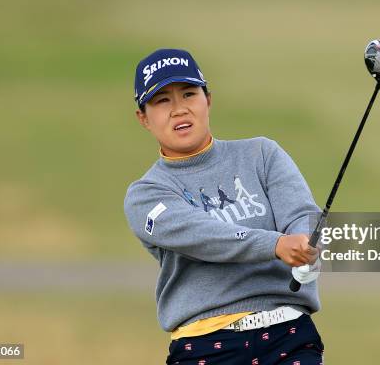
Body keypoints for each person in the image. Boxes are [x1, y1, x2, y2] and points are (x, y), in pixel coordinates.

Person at [124, 48, 324, 365]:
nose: (179, 109)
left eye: (189, 94)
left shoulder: (262, 154)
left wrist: (305, 244)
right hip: (205, 345)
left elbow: (302, 217)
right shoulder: (146, 195)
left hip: (288, 333)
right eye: (163, 100)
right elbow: (205, 236)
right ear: (143, 118)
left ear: (208, 100)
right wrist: (276, 244)